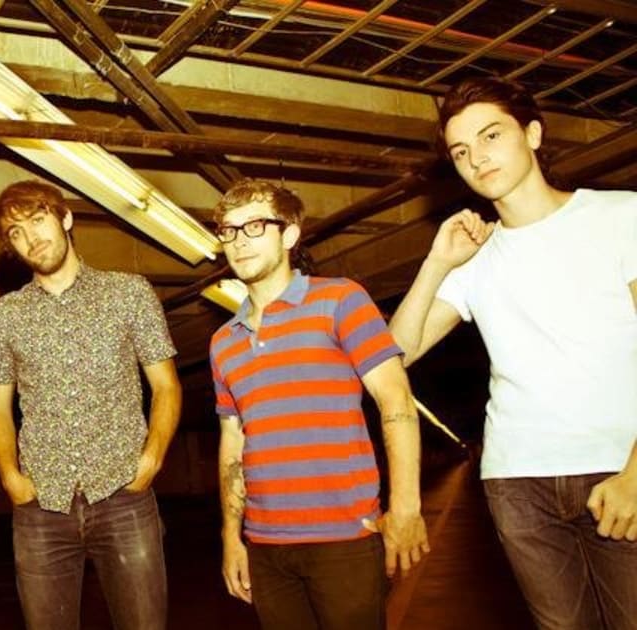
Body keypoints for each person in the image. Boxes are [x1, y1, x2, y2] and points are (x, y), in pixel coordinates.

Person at [389, 75, 637, 630]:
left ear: (533, 134)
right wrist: (436, 263)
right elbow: (394, 355)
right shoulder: (473, 257)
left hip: (619, 467)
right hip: (518, 481)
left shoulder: (622, 216)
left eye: (491, 135)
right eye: (460, 151)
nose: (476, 158)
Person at [209, 179, 428, 630]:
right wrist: (232, 537)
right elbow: (233, 443)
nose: (239, 241)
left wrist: (406, 507)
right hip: (266, 548)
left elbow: (395, 398)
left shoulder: (340, 300)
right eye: (229, 231)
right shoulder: (222, 342)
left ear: (289, 234)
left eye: (254, 226)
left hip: (344, 538)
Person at [0, 180, 182, 630]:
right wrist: (11, 477)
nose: (31, 238)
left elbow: (166, 386)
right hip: (40, 507)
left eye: (38, 220)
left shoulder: (129, 293)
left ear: (66, 218)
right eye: (16, 232)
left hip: (123, 496)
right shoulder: (5, 316)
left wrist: (152, 458)